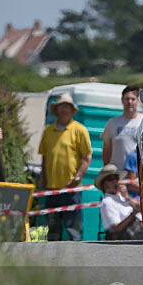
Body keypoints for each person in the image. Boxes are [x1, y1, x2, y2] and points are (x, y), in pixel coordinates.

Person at [38, 93, 92, 241]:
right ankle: (51, 255)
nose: (64, 110)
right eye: (61, 107)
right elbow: (44, 158)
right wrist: (44, 181)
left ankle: (76, 254)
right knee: (52, 229)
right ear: (56, 110)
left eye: (67, 107)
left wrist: (77, 178)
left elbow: (87, 157)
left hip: (71, 189)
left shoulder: (79, 130)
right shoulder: (48, 131)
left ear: (72, 110)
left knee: (73, 229)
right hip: (51, 189)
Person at [95, 164, 143, 240]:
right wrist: (132, 214)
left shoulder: (123, 196)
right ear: (104, 184)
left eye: (116, 178)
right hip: (126, 237)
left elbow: (141, 208)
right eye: (110, 179)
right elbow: (116, 228)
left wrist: (127, 197)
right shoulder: (107, 202)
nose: (114, 181)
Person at [101, 85, 143, 170]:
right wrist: (108, 171)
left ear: (138, 101)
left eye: (133, 99)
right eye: (127, 99)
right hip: (117, 173)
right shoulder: (112, 123)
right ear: (122, 100)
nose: (130, 102)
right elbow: (106, 150)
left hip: (137, 173)